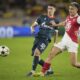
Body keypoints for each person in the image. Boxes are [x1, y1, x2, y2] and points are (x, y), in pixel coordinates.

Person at [36, 2, 80, 76]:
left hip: (73, 43)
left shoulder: (78, 18)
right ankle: (42, 72)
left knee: (74, 64)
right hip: (64, 41)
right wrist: (55, 25)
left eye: (72, 9)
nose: (70, 10)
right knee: (51, 54)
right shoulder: (69, 16)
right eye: (69, 9)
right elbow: (65, 23)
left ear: (77, 10)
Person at [27, 4, 59, 76]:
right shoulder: (41, 17)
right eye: (48, 8)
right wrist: (32, 29)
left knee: (36, 53)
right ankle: (49, 69)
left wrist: (55, 43)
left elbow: (56, 33)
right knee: (36, 57)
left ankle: (32, 71)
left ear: (54, 10)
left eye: (51, 8)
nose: (49, 10)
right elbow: (32, 26)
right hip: (38, 38)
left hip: (46, 39)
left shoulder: (56, 21)